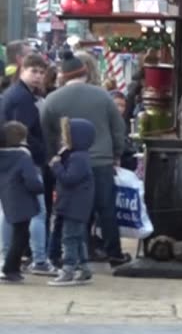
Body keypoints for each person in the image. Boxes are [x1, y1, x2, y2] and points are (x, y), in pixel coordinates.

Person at [41, 51, 129, 267]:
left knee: (70, 209)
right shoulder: (103, 96)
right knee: (106, 208)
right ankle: (114, 254)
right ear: (85, 73)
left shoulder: (52, 100)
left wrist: (54, 158)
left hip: (69, 162)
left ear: (64, 76)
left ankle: (72, 253)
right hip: (101, 161)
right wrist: (117, 154)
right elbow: (118, 128)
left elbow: (47, 134)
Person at [0, 54, 54, 275]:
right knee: (37, 211)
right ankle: (39, 258)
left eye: (42, 73)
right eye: (34, 71)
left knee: (8, 211)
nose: (38, 77)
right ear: (22, 70)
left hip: (9, 160)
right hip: (28, 160)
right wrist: (44, 153)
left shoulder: (13, 95)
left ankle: (6, 255)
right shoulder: (22, 99)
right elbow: (24, 131)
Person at [48, 117, 96, 287]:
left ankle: (68, 269)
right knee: (77, 237)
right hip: (74, 205)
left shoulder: (77, 158)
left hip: (73, 205)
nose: (62, 139)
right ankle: (83, 268)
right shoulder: (78, 156)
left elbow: (69, 179)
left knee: (69, 237)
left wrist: (56, 166)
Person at [0, 122, 46, 283]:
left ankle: (10, 265)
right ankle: (10, 268)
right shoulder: (22, 156)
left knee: (17, 233)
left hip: (7, 197)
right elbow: (31, 180)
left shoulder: (3, 155)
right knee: (22, 235)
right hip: (23, 199)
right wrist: (40, 188)